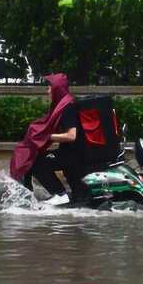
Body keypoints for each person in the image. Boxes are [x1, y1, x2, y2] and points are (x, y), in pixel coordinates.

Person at [9, 73, 87, 205]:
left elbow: (71, 136)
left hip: (74, 155)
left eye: (50, 87)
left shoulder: (67, 108)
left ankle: (60, 194)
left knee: (36, 163)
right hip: (70, 152)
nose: (48, 91)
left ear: (57, 89)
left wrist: (47, 136)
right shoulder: (62, 105)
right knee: (34, 158)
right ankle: (27, 196)